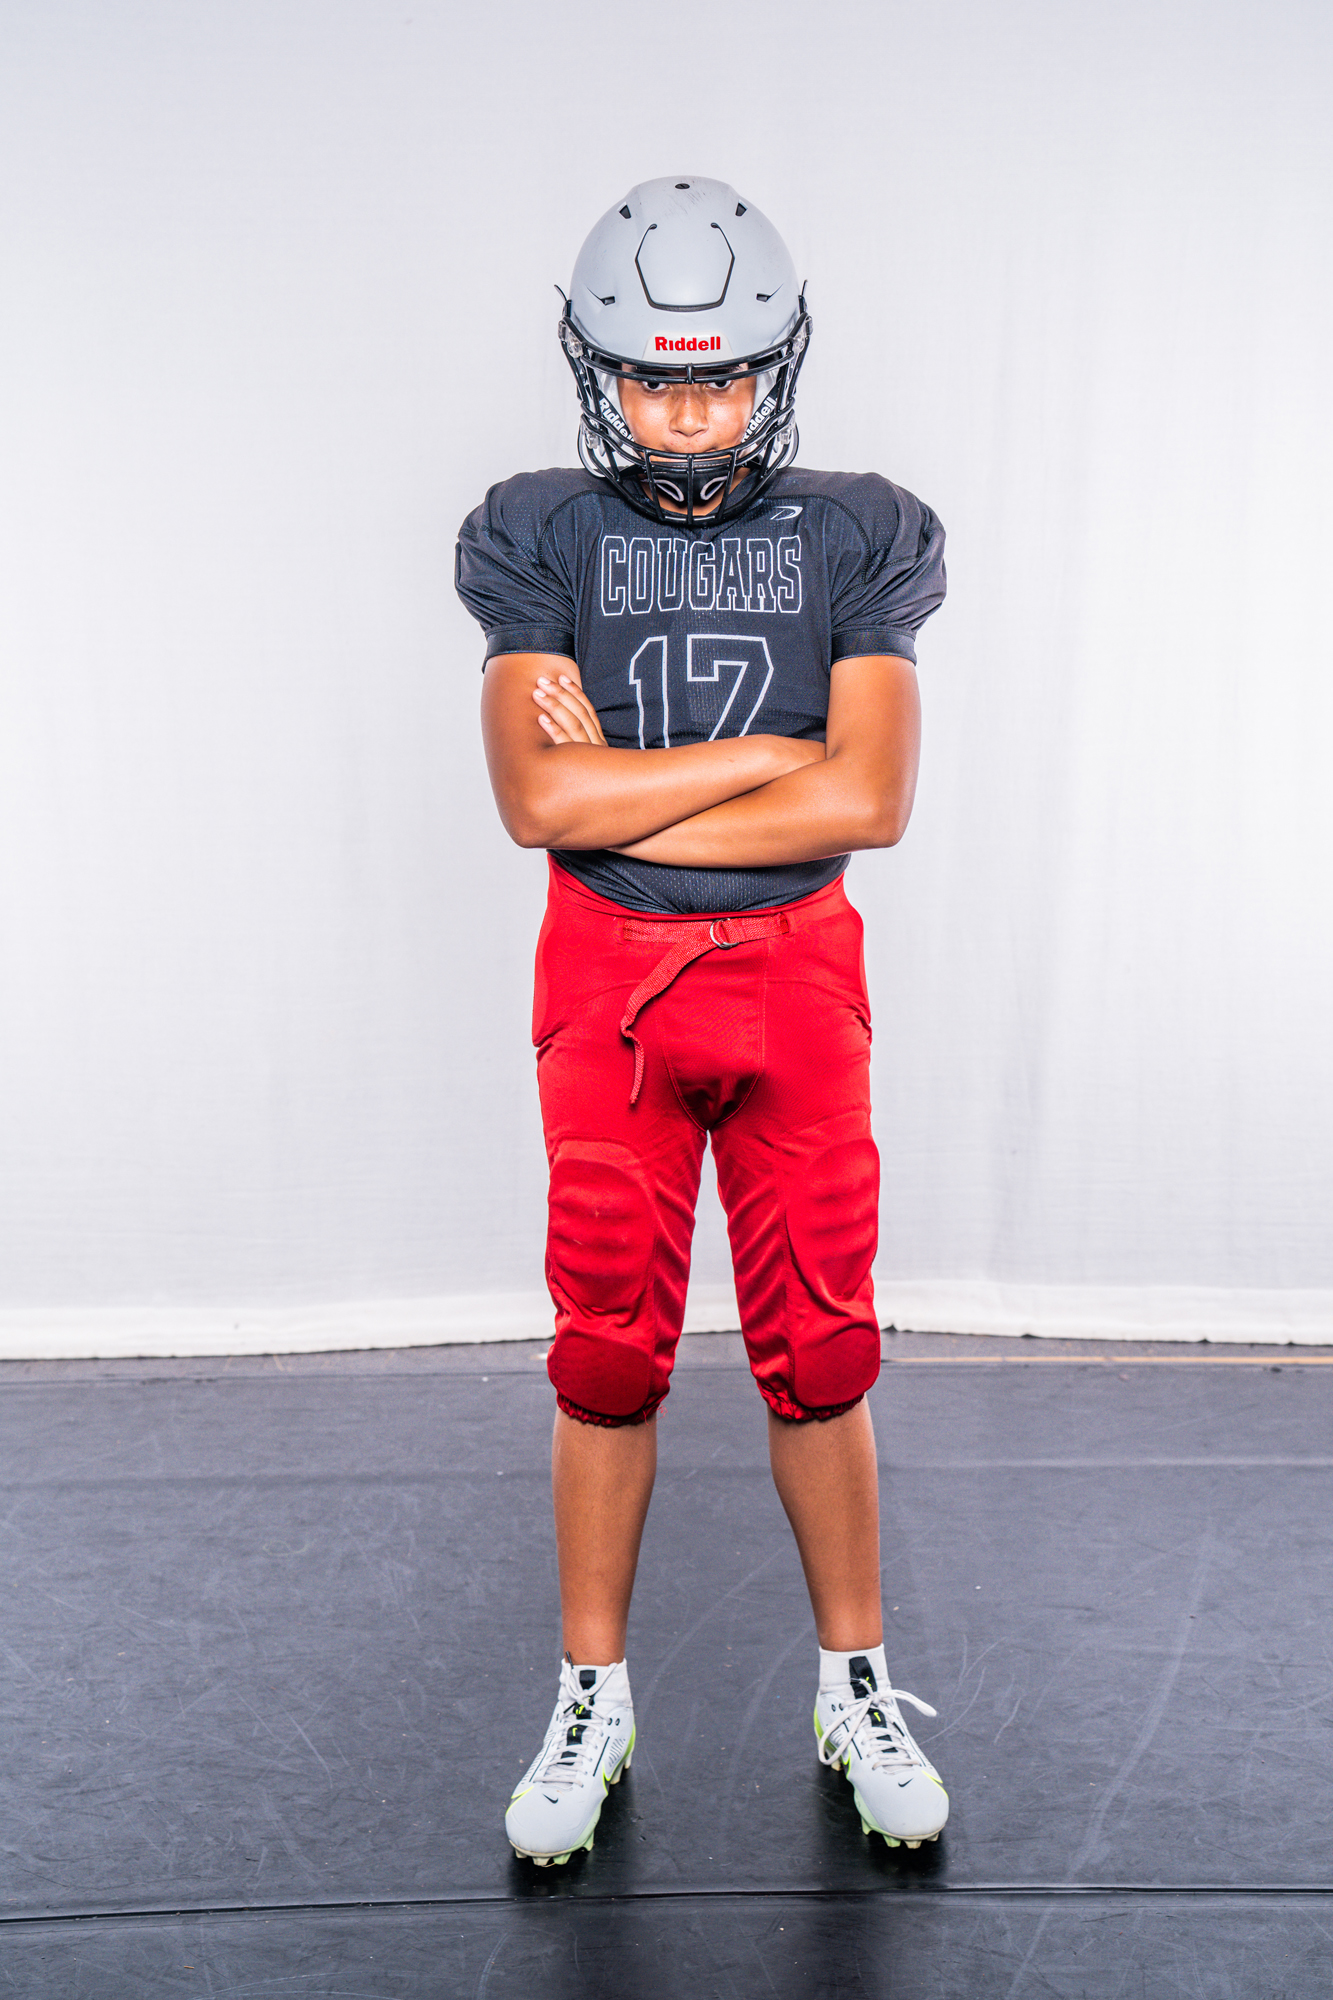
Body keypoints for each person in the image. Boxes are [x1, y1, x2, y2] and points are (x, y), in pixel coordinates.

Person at [455, 176, 949, 1868]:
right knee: (605, 1348)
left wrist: (635, 783)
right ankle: (590, 1694)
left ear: (774, 365)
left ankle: (854, 1683)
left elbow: (870, 800)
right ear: (597, 370)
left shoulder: (856, 527)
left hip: (794, 971)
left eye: (722, 375)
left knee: (825, 1344)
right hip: (607, 980)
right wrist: (766, 757)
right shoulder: (539, 528)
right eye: (654, 379)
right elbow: (535, 804)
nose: (687, 413)